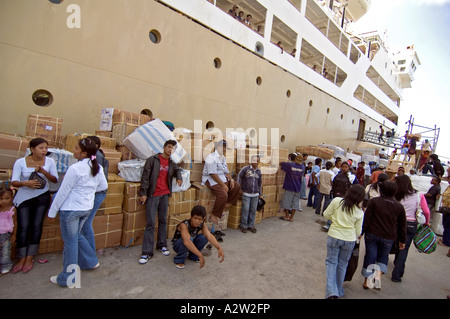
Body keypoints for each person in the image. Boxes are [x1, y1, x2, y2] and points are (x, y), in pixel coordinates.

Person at [47, 138, 108, 287]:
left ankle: (68, 278)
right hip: (86, 208)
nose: (73, 150)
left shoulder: (75, 168)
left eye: (75, 148)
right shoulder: (96, 167)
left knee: (70, 243)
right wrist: (87, 191)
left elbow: (62, 192)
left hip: (71, 210)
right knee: (76, 237)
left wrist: (52, 212)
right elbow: (103, 186)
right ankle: (91, 261)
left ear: (84, 153)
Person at [11, 138, 58, 274]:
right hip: (24, 198)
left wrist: (44, 172)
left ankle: (30, 257)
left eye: (46, 148)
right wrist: (26, 183)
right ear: (32, 149)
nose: (44, 151)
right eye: (41, 148)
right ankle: (21, 257)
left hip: (42, 197)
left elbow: (54, 179)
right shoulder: (20, 162)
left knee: (36, 226)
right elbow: (14, 181)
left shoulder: (50, 162)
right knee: (23, 227)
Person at [139, 139, 183, 264]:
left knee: (163, 220)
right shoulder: (153, 160)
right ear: (164, 147)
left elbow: (177, 170)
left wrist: (179, 178)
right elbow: (145, 177)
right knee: (151, 223)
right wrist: (143, 193)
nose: (170, 150)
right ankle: (146, 252)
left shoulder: (171, 162)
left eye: (172, 148)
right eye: (168, 147)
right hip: (153, 195)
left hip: (164, 195)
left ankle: (162, 244)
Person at [360, 180, 406, 290]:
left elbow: (367, 218)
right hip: (389, 237)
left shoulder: (374, 202)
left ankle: (367, 281)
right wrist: (402, 240)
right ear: (395, 191)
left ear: (381, 190)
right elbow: (402, 225)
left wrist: (361, 232)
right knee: (383, 257)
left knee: (370, 256)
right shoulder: (399, 206)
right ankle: (378, 278)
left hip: (372, 234)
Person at [323, 184, 365, 299]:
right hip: (349, 239)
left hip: (334, 236)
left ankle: (332, 291)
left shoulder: (337, 201)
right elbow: (358, 231)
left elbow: (326, 215)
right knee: (342, 264)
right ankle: (339, 289)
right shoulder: (359, 212)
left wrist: (335, 220)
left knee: (331, 262)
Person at [391, 175, 430, 283]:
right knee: (404, 248)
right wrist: (426, 222)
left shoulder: (395, 194)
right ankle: (397, 275)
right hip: (411, 225)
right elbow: (426, 211)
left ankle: (386, 266)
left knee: (394, 243)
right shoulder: (419, 195)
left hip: (396, 224)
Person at [202, 140, 240, 240]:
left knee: (236, 186)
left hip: (222, 178)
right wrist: (223, 185)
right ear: (217, 147)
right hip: (211, 180)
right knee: (223, 194)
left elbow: (226, 171)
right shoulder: (211, 158)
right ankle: (214, 214)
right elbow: (212, 174)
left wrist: (231, 179)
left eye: (225, 147)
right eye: (222, 147)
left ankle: (228, 203)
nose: (223, 149)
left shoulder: (223, 157)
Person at [81, 136, 109, 251]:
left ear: (96, 145)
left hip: (97, 192)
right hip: (95, 192)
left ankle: (90, 251)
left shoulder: (96, 156)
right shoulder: (93, 155)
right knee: (85, 222)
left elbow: (96, 178)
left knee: (87, 222)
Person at [237, 155, 262, 233]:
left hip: (255, 194)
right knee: (246, 209)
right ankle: (243, 225)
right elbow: (239, 178)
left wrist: (260, 193)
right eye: (254, 160)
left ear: (259, 162)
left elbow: (260, 183)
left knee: (253, 210)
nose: (256, 162)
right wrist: (239, 189)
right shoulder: (245, 169)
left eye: (257, 161)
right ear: (251, 161)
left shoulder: (258, 171)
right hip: (246, 193)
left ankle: (251, 225)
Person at [280, 153, 305, 222]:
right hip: (298, 187)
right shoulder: (302, 167)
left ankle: (287, 216)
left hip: (290, 186)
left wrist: (287, 161)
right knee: (295, 203)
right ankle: (292, 217)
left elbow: (281, 163)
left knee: (287, 201)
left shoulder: (290, 165)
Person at [0, 184, 16, 275]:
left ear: (11, 198)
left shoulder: (12, 210)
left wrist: (14, 234)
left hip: (6, 235)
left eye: (7, 198)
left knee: (5, 252)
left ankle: (6, 266)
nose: (4, 201)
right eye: (1, 199)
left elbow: (15, 223)